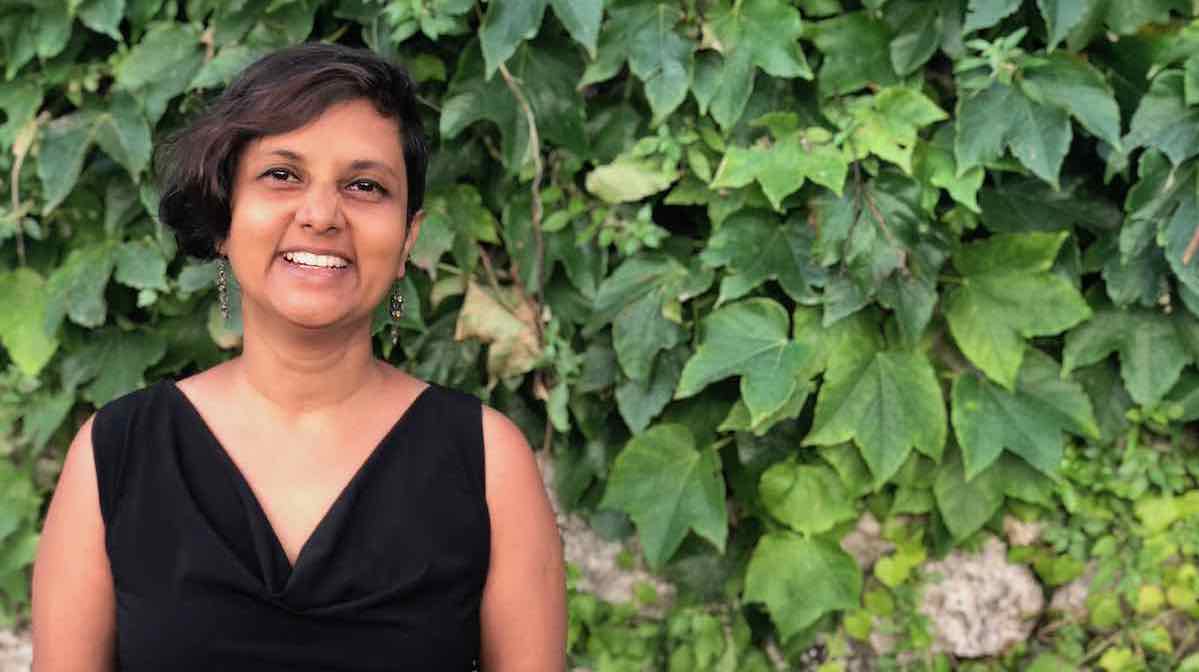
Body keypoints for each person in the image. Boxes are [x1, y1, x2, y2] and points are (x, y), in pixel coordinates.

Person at [30, 43, 566, 671]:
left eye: (365, 186)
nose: (320, 215)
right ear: (224, 216)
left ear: (407, 240)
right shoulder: (115, 455)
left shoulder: (488, 463)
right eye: (282, 175)